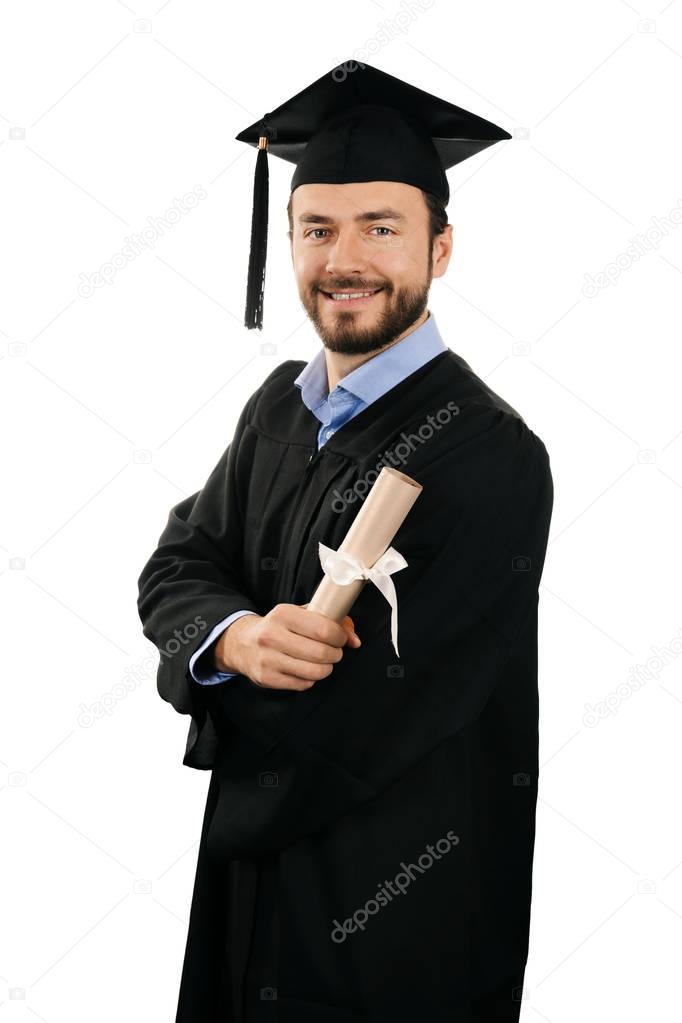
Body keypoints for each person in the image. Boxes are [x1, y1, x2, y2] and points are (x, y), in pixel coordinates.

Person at [137, 59, 554, 1023]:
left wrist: (221, 709)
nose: (344, 258)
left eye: (381, 226)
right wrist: (231, 639)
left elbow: (376, 714)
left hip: (399, 918)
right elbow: (179, 562)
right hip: (249, 903)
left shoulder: (491, 455)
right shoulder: (279, 405)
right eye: (318, 227)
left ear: (440, 248)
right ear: (288, 240)